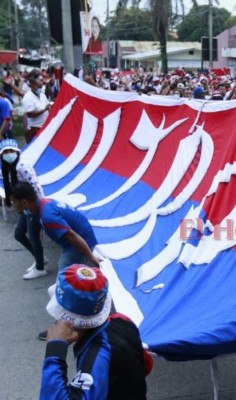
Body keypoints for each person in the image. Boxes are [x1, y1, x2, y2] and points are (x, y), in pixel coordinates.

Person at [40, 264, 151, 399]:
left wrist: (55, 350)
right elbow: (146, 364)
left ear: (68, 319)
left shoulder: (98, 353)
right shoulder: (123, 320)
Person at [0, 139, 48, 279]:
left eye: (11, 151)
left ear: (17, 152)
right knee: (19, 234)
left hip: (33, 205)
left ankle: (40, 268)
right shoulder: (9, 167)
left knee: (33, 236)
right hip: (25, 205)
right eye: (5, 152)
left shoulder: (22, 166)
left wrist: (39, 206)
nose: (9, 154)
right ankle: (40, 258)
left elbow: (35, 185)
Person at [21, 72, 51, 143]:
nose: (39, 87)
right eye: (36, 86)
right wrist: (44, 110)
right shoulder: (28, 97)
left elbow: (48, 106)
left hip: (45, 128)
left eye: (40, 86)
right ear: (32, 84)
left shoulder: (42, 95)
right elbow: (30, 114)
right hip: (35, 130)